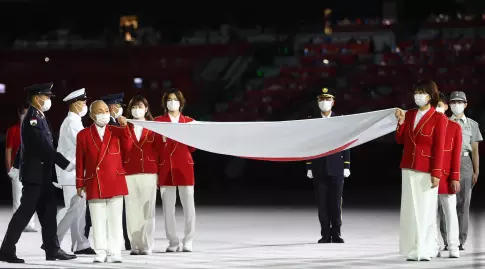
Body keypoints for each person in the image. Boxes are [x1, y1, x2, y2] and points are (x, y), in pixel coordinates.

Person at [0, 83, 77, 263]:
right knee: (24, 213)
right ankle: (6, 249)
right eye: (47, 97)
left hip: (42, 176)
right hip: (35, 177)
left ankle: (52, 249)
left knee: (49, 213)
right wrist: (65, 164)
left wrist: (17, 166)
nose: (49, 100)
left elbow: (26, 148)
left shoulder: (40, 117)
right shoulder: (32, 118)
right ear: (37, 98)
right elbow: (43, 146)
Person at [395, 79, 447, 261]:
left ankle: (425, 248)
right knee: (410, 210)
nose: (419, 95)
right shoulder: (409, 115)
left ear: (431, 95)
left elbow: (439, 147)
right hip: (408, 166)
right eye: (417, 91)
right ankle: (412, 248)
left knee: (425, 210)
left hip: (426, 169)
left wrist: (437, 173)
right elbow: (400, 140)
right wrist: (400, 123)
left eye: (423, 92)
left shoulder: (439, 118)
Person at [75, 100, 130, 263]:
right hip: (94, 182)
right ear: (92, 115)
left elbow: (128, 148)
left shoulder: (116, 131)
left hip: (115, 179)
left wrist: (125, 127)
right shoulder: (83, 135)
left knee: (115, 220)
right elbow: (80, 161)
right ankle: (101, 251)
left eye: (106, 110)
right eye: (100, 111)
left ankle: (115, 252)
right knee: (97, 220)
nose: (104, 114)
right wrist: (79, 182)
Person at [305, 88, 350, 244]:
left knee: (336, 204)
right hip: (319, 167)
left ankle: (336, 233)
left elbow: (346, 144)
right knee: (322, 204)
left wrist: (346, 165)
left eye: (327, 100)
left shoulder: (340, 121)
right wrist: (309, 166)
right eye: (321, 100)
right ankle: (325, 234)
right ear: (318, 103)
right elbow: (309, 145)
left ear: (333, 102)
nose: (324, 103)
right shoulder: (313, 122)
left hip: (336, 166)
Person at [154, 88, 197, 252]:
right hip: (165, 168)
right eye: (169, 99)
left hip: (184, 167)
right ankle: (173, 241)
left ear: (181, 102)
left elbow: (193, 147)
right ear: (165, 103)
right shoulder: (158, 121)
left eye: (175, 99)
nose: (172, 102)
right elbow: (156, 148)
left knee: (189, 207)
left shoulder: (189, 122)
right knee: (168, 209)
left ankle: (188, 240)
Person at [55, 88, 95, 255]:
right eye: (84, 103)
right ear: (76, 104)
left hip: (75, 173)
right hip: (72, 174)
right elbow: (84, 146)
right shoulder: (72, 122)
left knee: (79, 210)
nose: (85, 105)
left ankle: (80, 243)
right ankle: (54, 239)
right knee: (74, 209)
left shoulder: (75, 121)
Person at [446, 91, 482, 251]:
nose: (456, 104)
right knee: (446, 203)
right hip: (447, 162)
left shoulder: (473, 125)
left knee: (463, 203)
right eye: (453, 101)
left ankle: (460, 239)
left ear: (466, 104)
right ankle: (448, 239)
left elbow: (475, 149)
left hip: (465, 161)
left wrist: (476, 170)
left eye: (460, 102)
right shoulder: (444, 122)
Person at [123, 95, 158, 255]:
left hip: (149, 172)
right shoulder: (126, 127)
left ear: (146, 108)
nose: (137, 110)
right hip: (129, 172)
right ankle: (135, 244)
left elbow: (158, 151)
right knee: (132, 210)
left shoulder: (154, 127)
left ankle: (147, 244)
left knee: (147, 210)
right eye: (134, 107)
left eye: (140, 106)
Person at [100, 93, 131, 251]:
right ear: (112, 107)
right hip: (107, 171)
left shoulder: (117, 123)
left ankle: (126, 240)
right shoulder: (107, 123)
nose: (119, 109)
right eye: (118, 106)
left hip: (117, 169)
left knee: (120, 208)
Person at [434, 92, 462, 258]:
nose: (437, 109)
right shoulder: (428, 126)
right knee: (430, 215)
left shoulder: (455, 128)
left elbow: (456, 154)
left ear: (446, 107)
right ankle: (434, 246)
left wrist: (455, 177)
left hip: (446, 178)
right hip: (429, 177)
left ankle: (454, 246)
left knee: (450, 214)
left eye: (439, 105)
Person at [5, 103, 38, 232]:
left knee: (31, 197)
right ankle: (18, 224)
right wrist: (9, 167)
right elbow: (9, 149)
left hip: (31, 167)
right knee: (18, 196)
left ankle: (30, 224)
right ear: (19, 114)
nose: (26, 116)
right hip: (17, 167)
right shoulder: (13, 130)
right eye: (24, 113)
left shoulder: (33, 128)